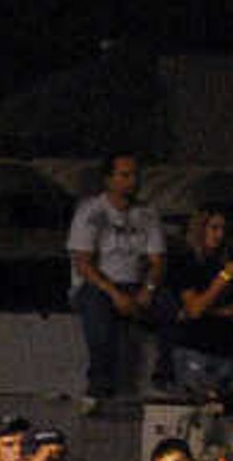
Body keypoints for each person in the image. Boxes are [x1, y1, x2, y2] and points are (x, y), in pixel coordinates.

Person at [65, 154, 165, 403]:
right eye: (124, 175)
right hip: (98, 285)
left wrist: (148, 290)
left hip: (135, 284)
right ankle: (100, 383)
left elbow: (157, 260)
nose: (131, 181)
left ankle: (166, 377)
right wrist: (114, 293)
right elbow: (83, 263)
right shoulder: (91, 212)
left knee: (171, 308)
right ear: (108, 179)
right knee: (98, 312)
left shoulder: (147, 214)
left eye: (134, 175)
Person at [161, 210, 233, 399]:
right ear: (201, 230)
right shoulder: (186, 263)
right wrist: (223, 279)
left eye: (223, 229)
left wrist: (214, 309)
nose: (219, 235)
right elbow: (195, 309)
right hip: (196, 349)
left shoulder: (224, 262)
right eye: (214, 228)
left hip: (226, 349)